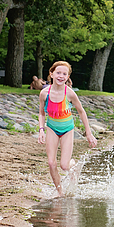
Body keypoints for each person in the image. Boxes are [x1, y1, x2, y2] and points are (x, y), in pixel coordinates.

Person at [38, 61, 97, 197]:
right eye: (58, 73)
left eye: (64, 74)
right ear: (51, 74)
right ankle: (60, 193)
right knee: (51, 163)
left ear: (68, 76)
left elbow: (81, 112)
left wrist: (89, 133)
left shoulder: (69, 94)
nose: (61, 76)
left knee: (64, 166)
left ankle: (73, 165)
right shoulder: (44, 93)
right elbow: (41, 113)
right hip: (52, 128)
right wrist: (41, 129)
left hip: (67, 130)